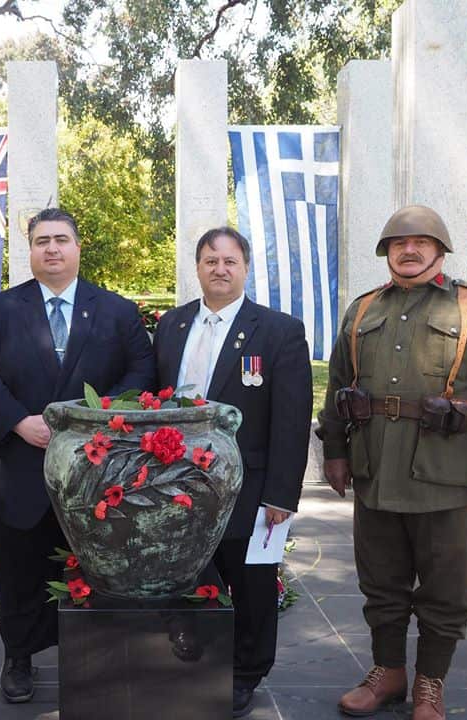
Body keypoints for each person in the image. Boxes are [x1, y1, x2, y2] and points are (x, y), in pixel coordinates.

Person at [317, 205, 467, 720]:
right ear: (387, 252)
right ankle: (388, 672)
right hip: (376, 475)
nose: (408, 250)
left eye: (420, 242)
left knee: (446, 591)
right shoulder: (363, 310)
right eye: (399, 243)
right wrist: (335, 452)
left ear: (439, 250)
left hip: (444, 479)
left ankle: (430, 683)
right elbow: (338, 388)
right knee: (380, 585)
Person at [0, 207, 156, 703]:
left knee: (94, 569)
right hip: (16, 465)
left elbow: (141, 371)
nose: (52, 248)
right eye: (42, 240)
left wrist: (93, 422)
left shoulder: (116, 310)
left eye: (61, 239)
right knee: (18, 569)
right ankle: (18, 657)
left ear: (77, 247)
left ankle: (94, 658)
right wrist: (17, 420)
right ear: (29, 250)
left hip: (95, 470)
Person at [153, 226, 312, 718]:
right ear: (198, 267)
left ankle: (246, 671)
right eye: (210, 261)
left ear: (245, 268)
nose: (219, 269)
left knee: (251, 582)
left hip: (251, 484)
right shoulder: (172, 325)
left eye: (229, 261)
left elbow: (292, 420)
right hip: (176, 479)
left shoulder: (279, 331)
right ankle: (193, 661)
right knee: (187, 573)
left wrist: (281, 494)